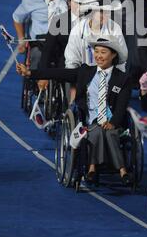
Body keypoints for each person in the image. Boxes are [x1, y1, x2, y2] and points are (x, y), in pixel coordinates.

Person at [16, 35, 132, 185]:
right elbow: (58, 73)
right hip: (90, 119)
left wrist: (113, 122)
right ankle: (92, 168)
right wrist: (31, 73)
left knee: (109, 133)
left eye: (103, 52)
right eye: (96, 51)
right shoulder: (85, 71)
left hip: (112, 120)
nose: (98, 56)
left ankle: (122, 171)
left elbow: (122, 104)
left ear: (113, 54)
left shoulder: (122, 78)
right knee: (96, 131)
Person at [12, 0, 68, 68]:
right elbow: (17, 18)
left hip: (62, 45)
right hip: (39, 44)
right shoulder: (32, 1)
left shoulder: (68, 0)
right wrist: (22, 40)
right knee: (37, 59)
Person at [64, 0, 127, 71]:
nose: (105, 14)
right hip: (82, 77)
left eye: (107, 11)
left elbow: (121, 58)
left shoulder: (115, 28)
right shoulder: (77, 31)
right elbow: (72, 62)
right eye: (100, 11)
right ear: (91, 13)